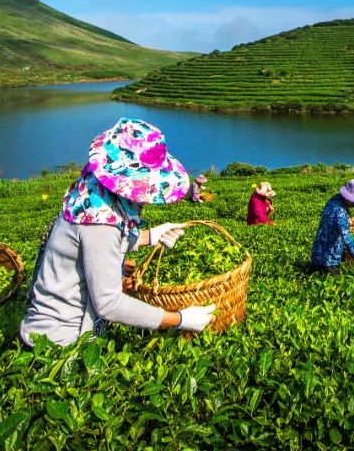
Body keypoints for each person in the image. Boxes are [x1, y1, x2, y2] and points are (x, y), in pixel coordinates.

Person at [21, 118, 216, 347]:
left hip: (50, 332)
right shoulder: (99, 223)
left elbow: (90, 247)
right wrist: (180, 319)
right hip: (59, 341)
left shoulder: (90, 196)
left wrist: (150, 236)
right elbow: (109, 303)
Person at [309, 179, 354, 275]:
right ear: (348, 198)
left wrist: (348, 221)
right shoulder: (340, 212)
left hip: (317, 252)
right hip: (329, 259)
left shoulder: (335, 199)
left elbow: (332, 219)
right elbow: (347, 239)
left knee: (312, 277)